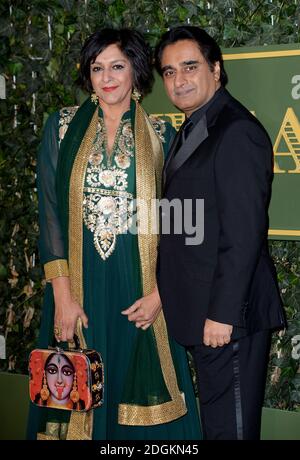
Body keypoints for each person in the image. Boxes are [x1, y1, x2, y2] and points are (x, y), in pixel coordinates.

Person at [27, 28, 201, 441]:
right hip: (79, 291)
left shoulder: (163, 135)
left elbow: (180, 224)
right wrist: (62, 298)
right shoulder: (62, 127)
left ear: (135, 72)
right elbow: (50, 213)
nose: (106, 77)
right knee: (75, 391)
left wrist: (162, 295)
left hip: (140, 291)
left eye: (117, 67)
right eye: (97, 67)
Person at [155, 26, 286, 440]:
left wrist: (222, 314)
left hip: (229, 319)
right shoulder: (193, 127)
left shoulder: (236, 131)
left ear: (216, 68)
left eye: (190, 67)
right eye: (170, 72)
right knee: (218, 428)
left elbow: (244, 233)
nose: (179, 80)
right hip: (202, 314)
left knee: (231, 431)